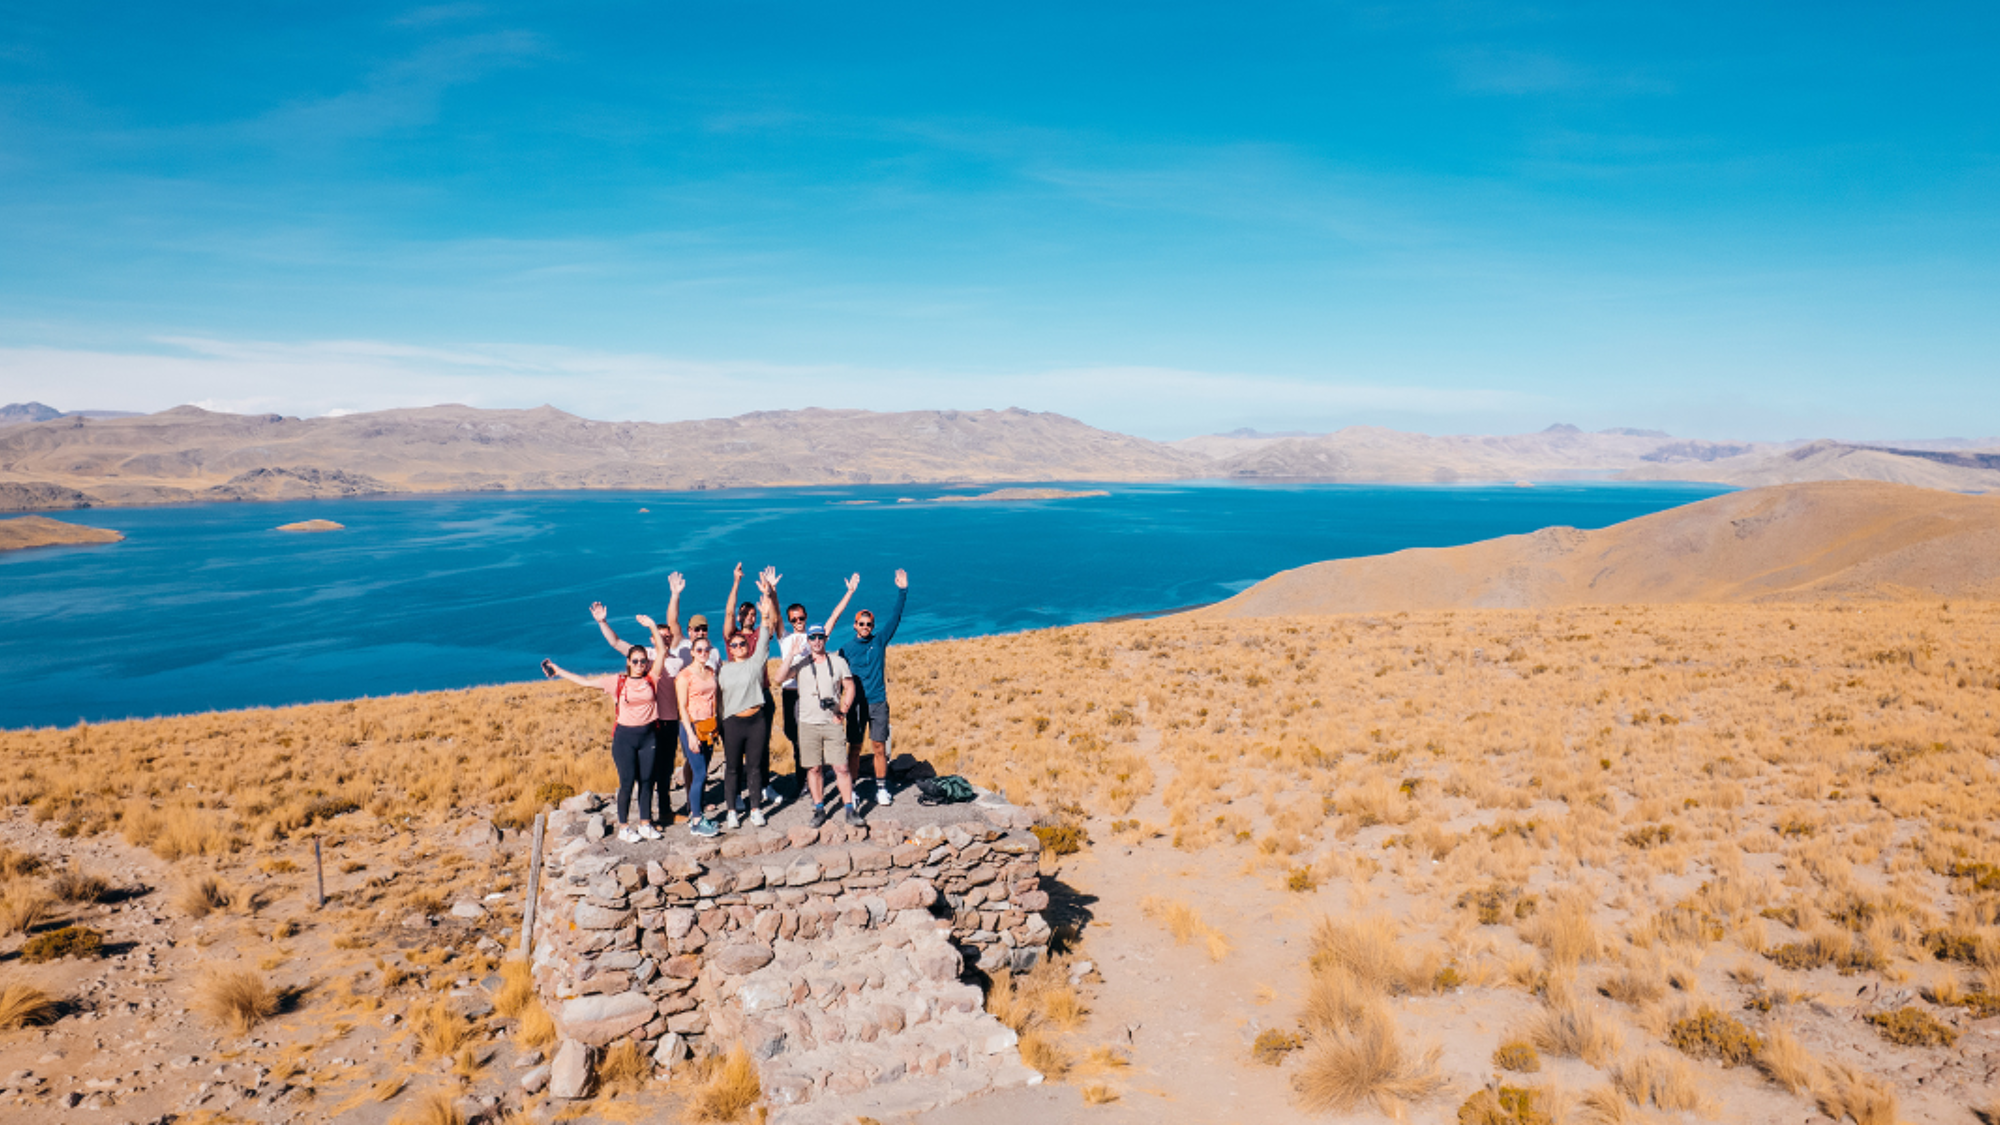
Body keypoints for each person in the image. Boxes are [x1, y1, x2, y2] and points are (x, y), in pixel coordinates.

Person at [542, 624, 669, 842]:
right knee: (627, 783)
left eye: (643, 661)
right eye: (635, 661)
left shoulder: (652, 678)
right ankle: (624, 828)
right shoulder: (617, 682)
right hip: (625, 739)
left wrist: (651, 626)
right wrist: (558, 670)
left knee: (647, 781)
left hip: (649, 736)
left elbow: (662, 650)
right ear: (628, 662)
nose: (640, 665)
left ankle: (645, 824)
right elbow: (585, 682)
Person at [773, 573, 859, 803]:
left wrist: (850, 592)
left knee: (809, 736)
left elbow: (834, 616)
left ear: (806, 617)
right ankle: (806, 778)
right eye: (794, 619)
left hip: (808, 695)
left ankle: (807, 781)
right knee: (794, 736)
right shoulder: (785, 638)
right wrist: (772, 591)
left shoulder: (815, 635)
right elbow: (775, 615)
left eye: (801, 618)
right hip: (790, 693)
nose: (798, 622)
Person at [717, 567, 782, 828]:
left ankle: (763, 789)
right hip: (734, 704)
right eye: (746, 613)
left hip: (759, 695)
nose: (749, 616)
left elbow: (772, 622)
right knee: (733, 760)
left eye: (752, 614)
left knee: (760, 750)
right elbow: (729, 612)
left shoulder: (757, 635)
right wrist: (736, 582)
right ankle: (735, 801)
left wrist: (770, 593)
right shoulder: (732, 637)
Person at [781, 622, 864, 827]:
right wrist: (791, 655)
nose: (817, 641)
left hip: (831, 722)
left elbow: (849, 686)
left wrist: (843, 711)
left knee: (841, 767)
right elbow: (779, 678)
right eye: (812, 637)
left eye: (820, 637)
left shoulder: (838, 662)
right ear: (808, 641)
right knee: (814, 768)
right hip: (808, 724)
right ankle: (819, 809)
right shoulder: (801, 663)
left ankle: (849, 809)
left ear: (825, 639)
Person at [840, 568, 907, 806]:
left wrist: (902, 591)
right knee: (855, 748)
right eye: (861, 623)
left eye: (869, 624)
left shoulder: (879, 641)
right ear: (855, 625)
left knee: (879, 747)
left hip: (878, 701)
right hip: (856, 705)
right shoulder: (846, 649)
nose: (865, 626)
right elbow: (838, 679)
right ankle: (852, 789)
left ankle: (881, 788)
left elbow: (895, 618)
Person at [674, 632, 723, 837]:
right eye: (699, 650)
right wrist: (690, 734)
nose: (703, 653)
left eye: (706, 649)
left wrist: (716, 726)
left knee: (703, 773)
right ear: (692, 652)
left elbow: (714, 699)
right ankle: (696, 820)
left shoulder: (710, 672)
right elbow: (682, 708)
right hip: (693, 727)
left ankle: (698, 813)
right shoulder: (684, 676)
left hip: (709, 726)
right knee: (700, 773)